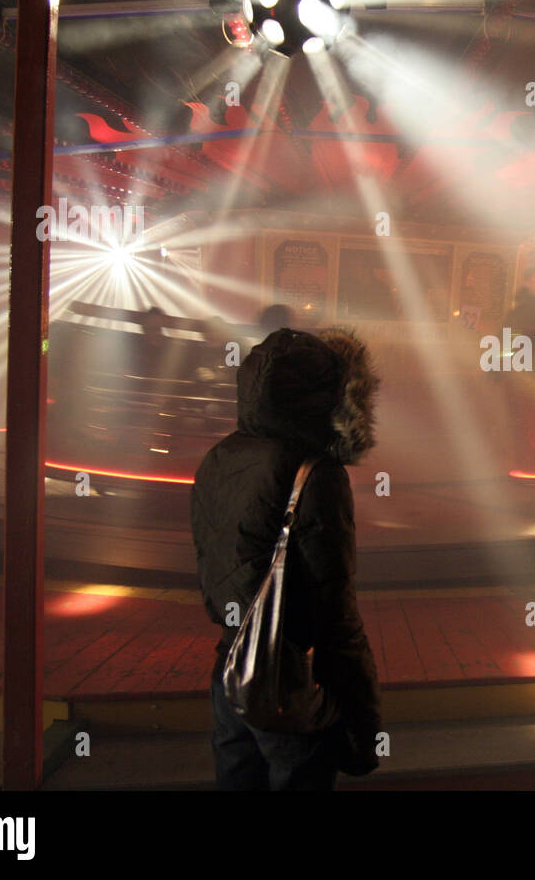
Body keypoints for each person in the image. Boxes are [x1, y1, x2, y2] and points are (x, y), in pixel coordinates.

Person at [191, 326, 383, 790]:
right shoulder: (316, 474)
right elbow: (335, 609)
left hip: (230, 667)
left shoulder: (221, 455)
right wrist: (363, 712)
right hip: (290, 679)